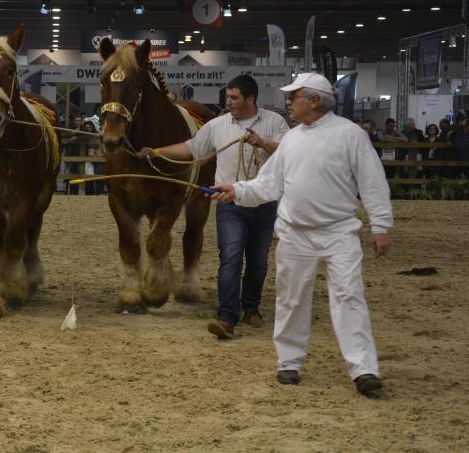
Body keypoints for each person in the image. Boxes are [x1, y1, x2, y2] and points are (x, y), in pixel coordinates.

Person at [209, 73, 392, 397]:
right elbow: (268, 183)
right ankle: (289, 363)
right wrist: (235, 190)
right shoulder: (292, 139)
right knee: (291, 299)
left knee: (350, 298)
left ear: (314, 101)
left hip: (340, 233)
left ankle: (364, 369)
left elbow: (372, 182)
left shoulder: (351, 136)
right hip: (295, 234)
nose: (288, 103)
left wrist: (380, 225)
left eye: (293, 97)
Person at [138, 75, 289, 339]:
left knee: (257, 261)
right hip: (229, 202)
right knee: (230, 257)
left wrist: (263, 142)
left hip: (264, 202)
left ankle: (251, 307)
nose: (227, 102)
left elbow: (291, 152)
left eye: (234, 97)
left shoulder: (275, 123)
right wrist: (157, 152)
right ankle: (226, 316)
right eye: (227, 97)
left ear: (250, 99)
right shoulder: (217, 125)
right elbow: (192, 148)